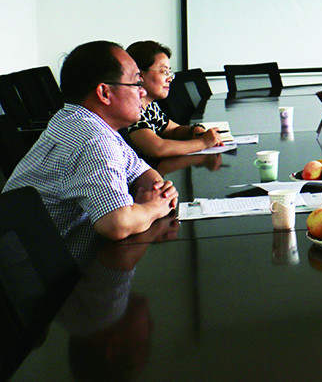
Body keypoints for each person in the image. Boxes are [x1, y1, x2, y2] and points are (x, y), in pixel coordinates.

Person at [3, 41, 179, 262]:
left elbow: (143, 173)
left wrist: (157, 193)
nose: (143, 92)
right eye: (136, 83)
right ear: (104, 93)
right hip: (44, 276)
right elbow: (117, 224)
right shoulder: (92, 139)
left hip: (56, 264)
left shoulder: (83, 120)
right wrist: (154, 207)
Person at [121, 40, 222, 158]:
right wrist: (203, 143)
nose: (169, 79)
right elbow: (158, 148)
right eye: (164, 72)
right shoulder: (131, 109)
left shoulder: (150, 106)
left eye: (169, 72)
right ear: (139, 74)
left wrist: (195, 130)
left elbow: (174, 130)